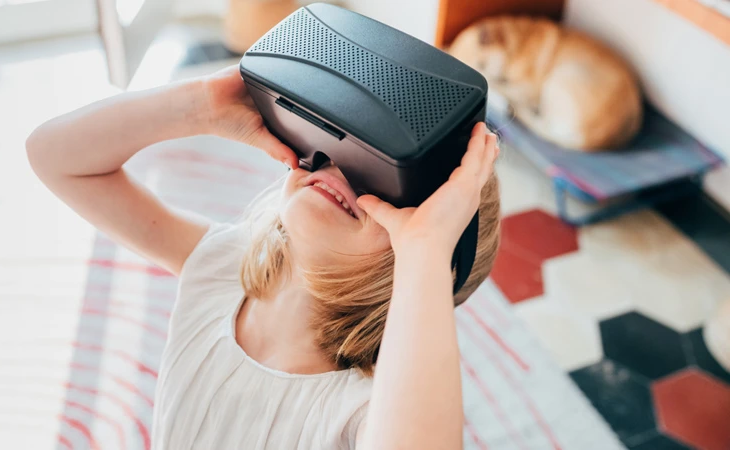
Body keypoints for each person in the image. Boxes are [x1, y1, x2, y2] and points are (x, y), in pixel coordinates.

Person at [26, 65, 501, 450]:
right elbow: (53, 157)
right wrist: (200, 105)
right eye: (332, 141)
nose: (338, 167)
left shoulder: (363, 411)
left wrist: (426, 249)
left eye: (381, 176)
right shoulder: (218, 266)